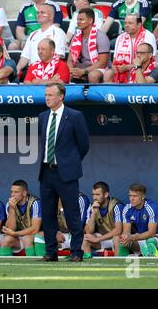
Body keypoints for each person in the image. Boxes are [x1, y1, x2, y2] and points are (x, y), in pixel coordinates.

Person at [38, 83, 90, 262]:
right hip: (46, 172)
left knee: (72, 213)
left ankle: (76, 251)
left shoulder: (75, 116)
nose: (47, 98)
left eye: (50, 95)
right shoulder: (43, 116)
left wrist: (70, 162)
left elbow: (84, 145)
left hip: (66, 172)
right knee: (47, 213)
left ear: (61, 97)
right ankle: (51, 252)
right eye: (46, 95)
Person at [103, 13, 158, 83]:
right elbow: (115, 60)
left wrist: (127, 67)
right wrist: (116, 67)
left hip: (142, 68)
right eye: (125, 23)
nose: (126, 25)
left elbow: (149, 61)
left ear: (139, 24)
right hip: (122, 70)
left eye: (130, 23)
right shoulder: (120, 37)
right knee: (108, 74)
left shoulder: (148, 36)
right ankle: (112, 94)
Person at [16, 4, 66, 76]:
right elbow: (25, 56)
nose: (39, 15)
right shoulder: (33, 34)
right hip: (32, 71)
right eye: (38, 13)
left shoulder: (58, 32)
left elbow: (58, 56)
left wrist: (44, 72)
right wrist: (17, 69)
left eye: (42, 12)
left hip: (49, 72)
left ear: (51, 16)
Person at [119, 183, 158, 257]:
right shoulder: (127, 208)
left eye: (135, 196)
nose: (131, 198)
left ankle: (150, 258)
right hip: (140, 238)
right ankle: (121, 266)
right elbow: (126, 231)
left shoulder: (151, 207)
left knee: (150, 242)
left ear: (143, 196)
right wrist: (125, 237)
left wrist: (133, 237)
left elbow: (152, 233)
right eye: (130, 195)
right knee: (123, 243)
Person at [0, 180, 42, 257]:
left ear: (24, 193)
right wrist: (12, 209)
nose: (12, 195)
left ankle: (32, 266)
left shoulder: (35, 203)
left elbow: (35, 229)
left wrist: (15, 233)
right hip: (19, 236)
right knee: (5, 240)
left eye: (16, 192)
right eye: (11, 192)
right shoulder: (9, 205)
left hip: (34, 237)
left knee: (27, 239)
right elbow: (10, 229)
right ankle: (6, 267)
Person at [67, 7, 109, 83]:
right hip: (81, 66)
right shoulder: (76, 37)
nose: (78, 22)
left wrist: (84, 71)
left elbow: (102, 63)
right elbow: (70, 60)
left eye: (81, 19)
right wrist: (70, 70)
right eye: (77, 19)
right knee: (65, 73)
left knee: (93, 75)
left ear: (90, 21)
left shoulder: (101, 37)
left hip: (98, 67)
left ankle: (93, 94)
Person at [82, 181, 123, 258]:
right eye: (93, 194)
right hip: (103, 238)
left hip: (117, 238)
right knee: (86, 237)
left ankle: (118, 264)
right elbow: (88, 231)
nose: (94, 198)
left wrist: (97, 239)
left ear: (106, 194)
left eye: (97, 194)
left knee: (116, 238)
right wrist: (93, 213)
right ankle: (88, 266)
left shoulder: (116, 205)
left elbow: (118, 230)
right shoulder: (92, 206)